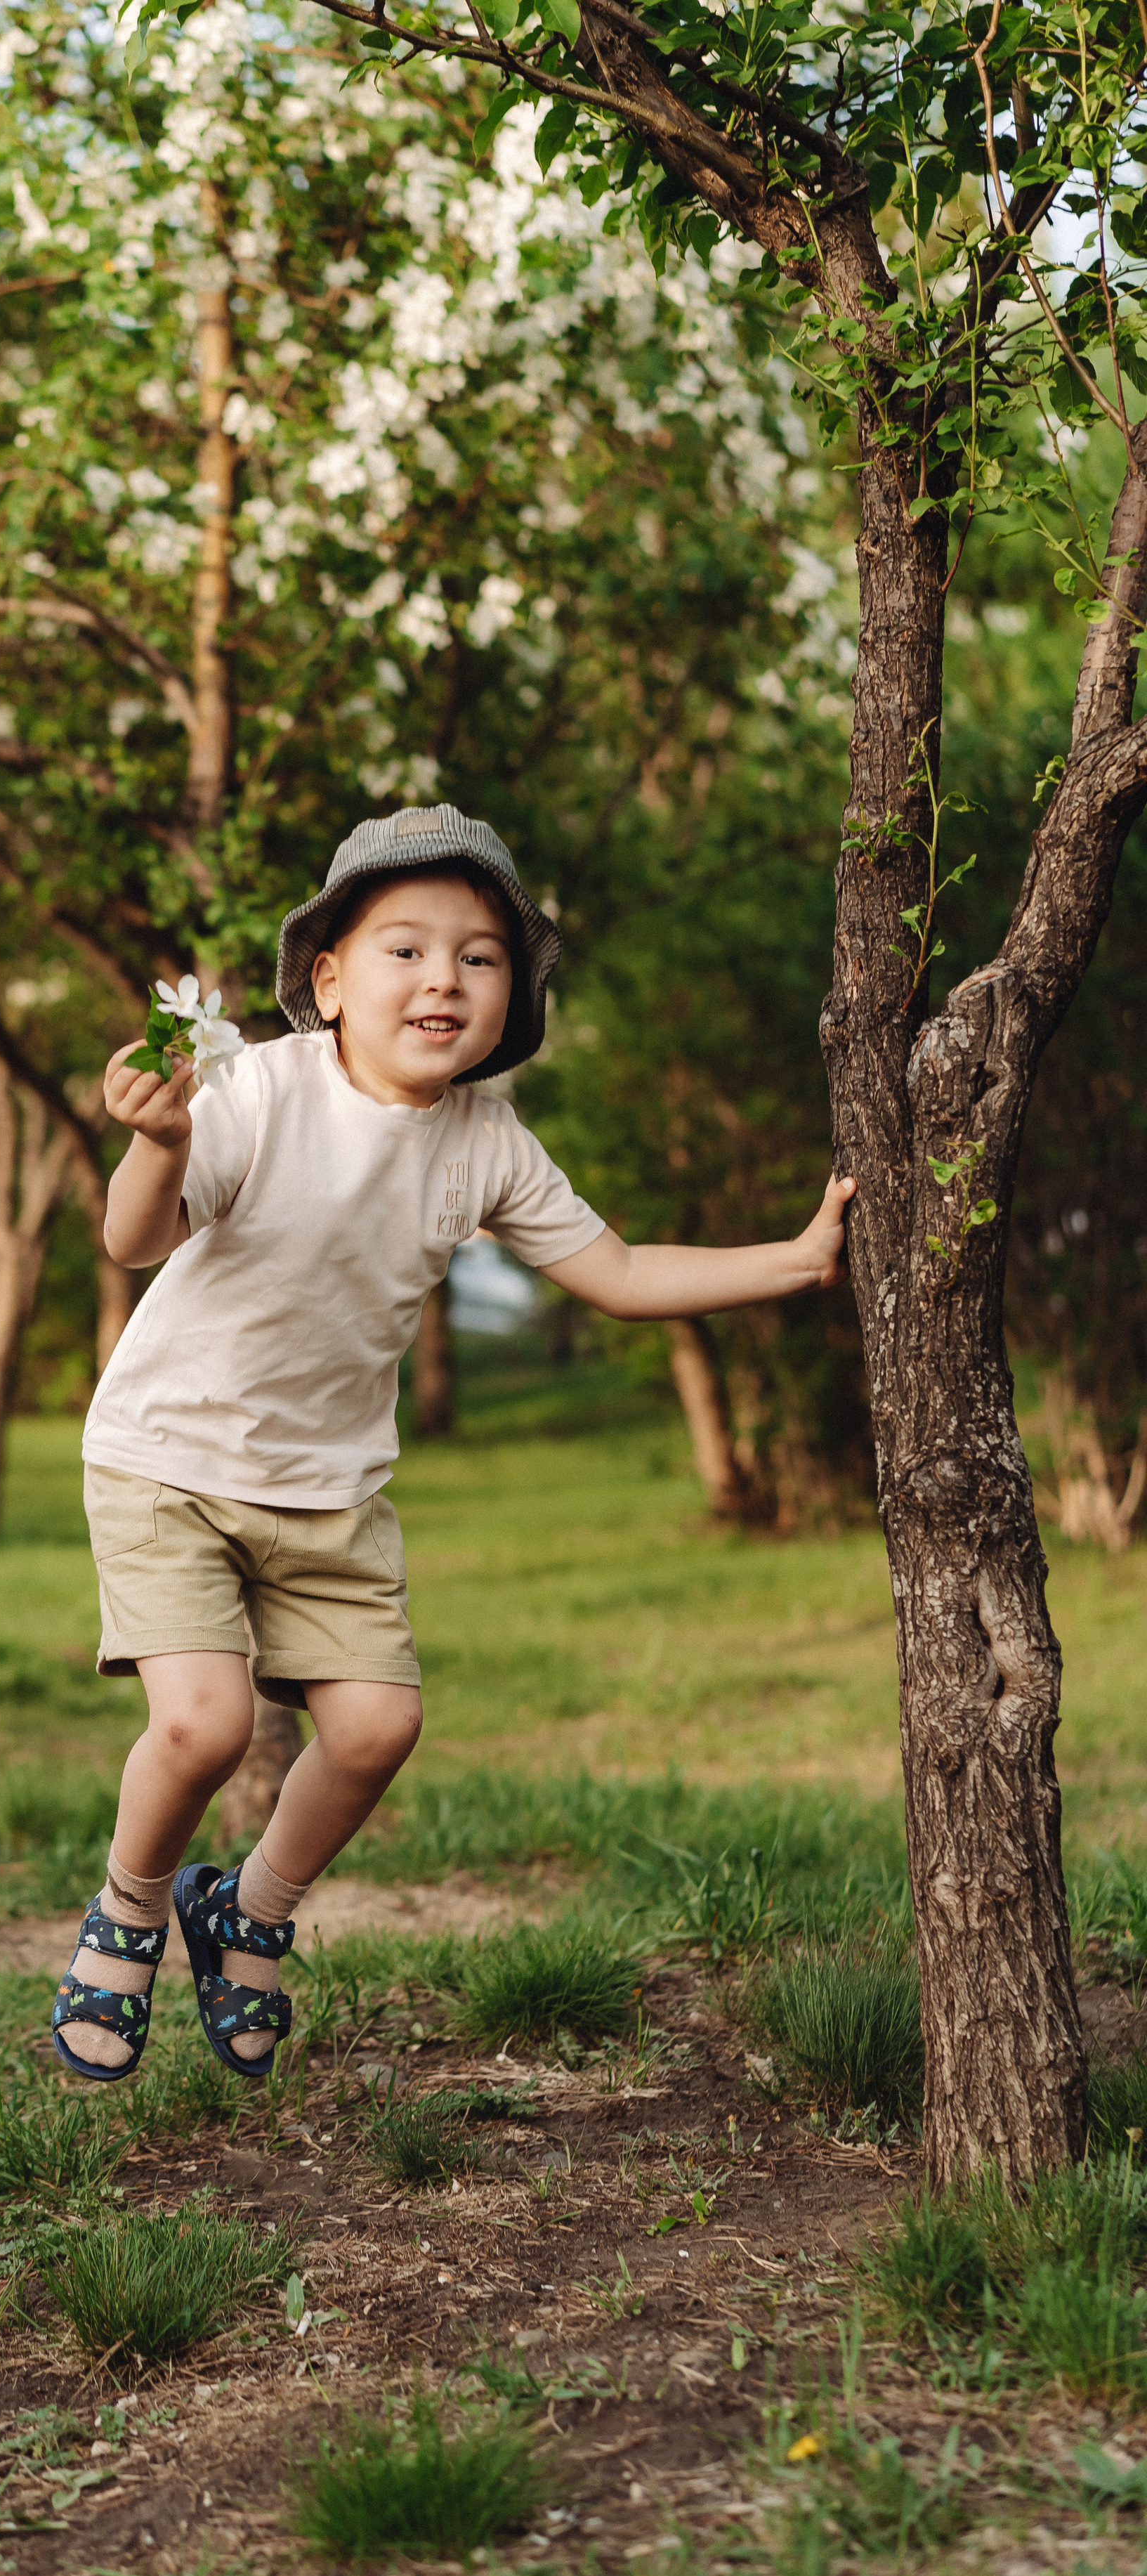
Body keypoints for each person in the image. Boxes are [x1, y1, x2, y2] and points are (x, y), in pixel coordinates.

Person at [51, 805, 854, 2083]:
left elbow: (624, 1268)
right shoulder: (255, 1090)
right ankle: (132, 1909)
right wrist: (159, 1140)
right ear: (328, 981)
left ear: (510, 996)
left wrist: (798, 1261)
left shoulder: (485, 1141)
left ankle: (248, 1907)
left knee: (376, 1728)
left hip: (329, 1490)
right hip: (171, 1459)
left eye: (480, 958)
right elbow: (133, 1241)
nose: (444, 979)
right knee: (200, 1728)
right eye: (406, 950)